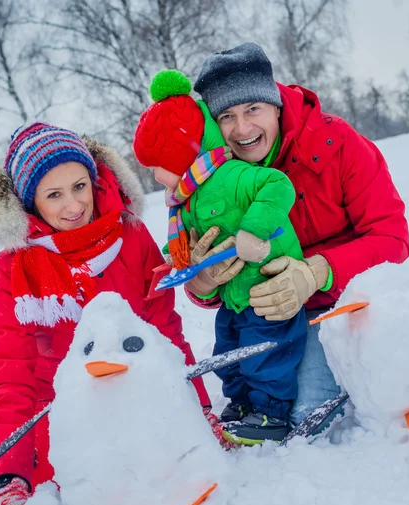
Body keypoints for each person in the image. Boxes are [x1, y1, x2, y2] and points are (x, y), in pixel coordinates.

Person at [0, 122, 212, 505]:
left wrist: (197, 410)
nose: (74, 205)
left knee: (163, 461)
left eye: (79, 186)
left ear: (94, 180)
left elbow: (164, 333)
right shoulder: (14, 269)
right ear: (29, 202)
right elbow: (9, 369)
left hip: (135, 388)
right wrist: (8, 475)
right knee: (85, 482)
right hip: (59, 405)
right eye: (54, 195)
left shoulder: (132, 236)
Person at [187, 42, 409, 432]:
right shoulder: (211, 181)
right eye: (227, 116)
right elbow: (202, 283)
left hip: (351, 302)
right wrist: (204, 279)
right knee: (303, 413)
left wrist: (317, 272)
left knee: (327, 405)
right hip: (278, 320)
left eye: (252, 109)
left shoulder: (337, 143)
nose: (242, 129)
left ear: (275, 104)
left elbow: (393, 239)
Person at [133, 70, 315, 445]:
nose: (154, 176)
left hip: (270, 288)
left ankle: (271, 413)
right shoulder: (188, 195)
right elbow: (188, 239)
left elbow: (277, 185)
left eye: (157, 165)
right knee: (227, 349)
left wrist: (253, 231)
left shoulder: (230, 174)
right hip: (233, 296)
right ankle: (241, 403)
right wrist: (176, 261)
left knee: (265, 354)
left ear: (181, 153)